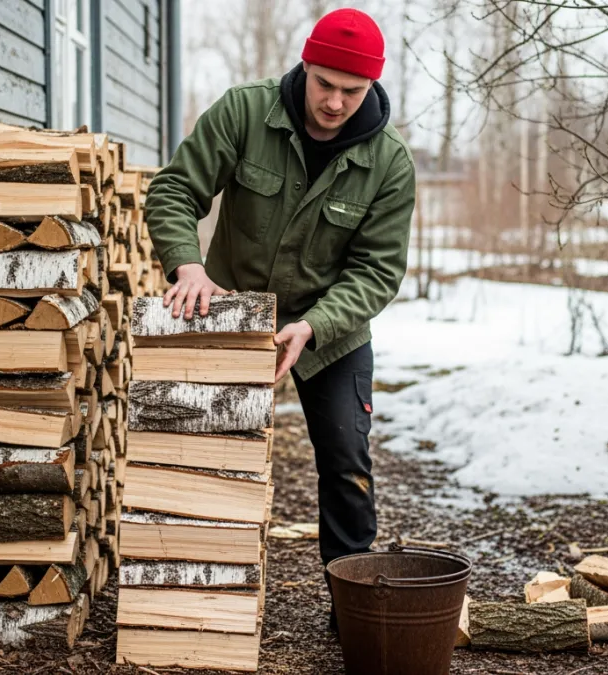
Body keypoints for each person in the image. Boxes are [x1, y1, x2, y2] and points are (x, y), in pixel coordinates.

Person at [144, 7, 415, 630]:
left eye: (353, 91)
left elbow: (377, 271)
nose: (335, 102)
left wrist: (314, 325)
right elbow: (175, 190)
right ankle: (197, 600)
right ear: (305, 65)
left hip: (329, 331)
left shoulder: (390, 162)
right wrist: (187, 266)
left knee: (346, 460)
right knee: (202, 451)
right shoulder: (245, 111)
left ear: (372, 86)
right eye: (325, 84)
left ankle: (352, 614)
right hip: (228, 309)